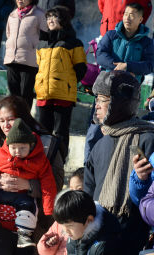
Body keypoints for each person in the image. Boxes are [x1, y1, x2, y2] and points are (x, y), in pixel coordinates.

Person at [0, 95, 64, 255]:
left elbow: (56, 183)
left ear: (22, 117)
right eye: (1, 120)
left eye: (10, 119)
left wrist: (29, 185)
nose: (5, 125)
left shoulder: (46, 145)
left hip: (32, 223)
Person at [84, 70, 154, 254]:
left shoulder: (144, 140)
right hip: (98, 238)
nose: (96, 106)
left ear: (120, 102)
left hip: (133, 239)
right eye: (96, 100)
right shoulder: (99, 144)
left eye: (102, 99)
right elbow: (88, 192)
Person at [34, 5, 87, 159]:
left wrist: (67, 83)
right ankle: (42, 161)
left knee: (61, 132)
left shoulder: (74, 42)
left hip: (63, 95)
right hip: (44, 94)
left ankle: (59, 162)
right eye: (48, 17)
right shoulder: (42, 42)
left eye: (54, 17)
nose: (50, 20)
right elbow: (40, 67)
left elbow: (80, 68)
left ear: (63, 19)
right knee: (43, 131)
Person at [97, 3, 154, 85]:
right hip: (107, 83)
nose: (127, 18)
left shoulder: (146, 42)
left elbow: (149, 65)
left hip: (130, 87)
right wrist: (119, 68)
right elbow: (100, 55)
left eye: (132, 15)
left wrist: (128, 66)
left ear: (140, 20)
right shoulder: (111, 35)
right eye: (125, 14)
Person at [4, 0, 47, 108]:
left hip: (29, 61)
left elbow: (45, 36)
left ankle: (25, 121)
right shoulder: (12, 15)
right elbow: (8, 34)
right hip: (11, 59)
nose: (20, 0)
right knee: (13, 94)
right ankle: (14, 118)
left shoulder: (39, 14)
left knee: (25, 94)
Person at [53, 190, 121, 254]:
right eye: (62, 224)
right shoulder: (74, 236)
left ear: (89, 220)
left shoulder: (104, 246)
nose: (65, 230)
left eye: (69, 225)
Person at [37, 167, 84, 255]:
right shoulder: (63, 212)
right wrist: (48, 244)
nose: (74, 194)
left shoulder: (90, 219)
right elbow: (43, 250)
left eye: (79, 190)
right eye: (71, 190)